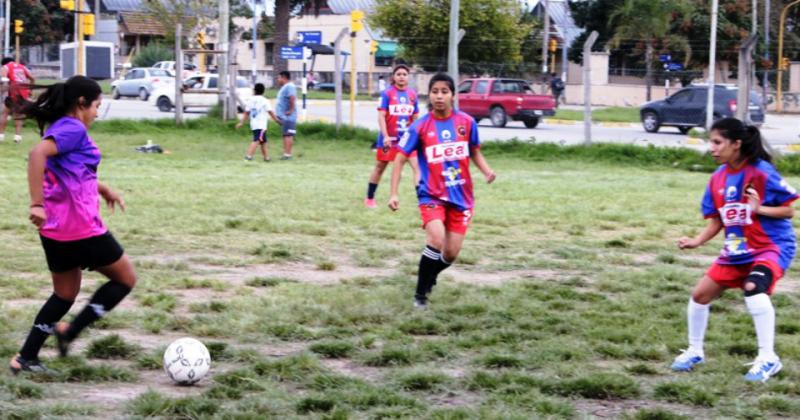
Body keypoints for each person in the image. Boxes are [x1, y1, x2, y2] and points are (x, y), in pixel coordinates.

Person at [9, 76, 136, 374]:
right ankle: (70, 331)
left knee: (64, 294)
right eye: (96, 106)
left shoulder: (62, 129)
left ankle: (25, 357)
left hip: (54, 230)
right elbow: (37, 154)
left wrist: (102, 189)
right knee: (125, 279)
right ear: (81, 103)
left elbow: (71, 170)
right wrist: (36, 203)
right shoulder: (73, 128)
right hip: (80, 228)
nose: (96, 113)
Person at [672, 118, 798, 383]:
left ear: (736, 144)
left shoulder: (761, 172)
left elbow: (788, 210)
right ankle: (695, 351)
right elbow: (717, 220)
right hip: (736, 251)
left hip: (770, 247)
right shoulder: (717, 178)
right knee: (699, 296)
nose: (712, 148)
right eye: (711, 142)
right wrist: (697, 241)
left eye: (718, 142)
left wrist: (759, 209)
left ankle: (768, 358)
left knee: (754, 288)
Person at [388, 73, 496, 309]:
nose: (439, 96)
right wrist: (394, 193)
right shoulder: (420, 126)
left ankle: (430, 276)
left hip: (461, 195)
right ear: (430, 95)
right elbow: (399, 159)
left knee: (451, 253)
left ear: (453, 95)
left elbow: (475, 150)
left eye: (444, 91)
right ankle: (420, 295)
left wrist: (486, 171)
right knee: (435, 240)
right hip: (431, 193)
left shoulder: (467, 122)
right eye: (435, 91)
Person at [365, 64, 420, 208]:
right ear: (393, 77)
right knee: (380, 167)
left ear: (408, 77)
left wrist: (417, 137)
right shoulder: (387, 94)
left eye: (404, 74)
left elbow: (415, 119)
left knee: (417, 167)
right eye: (399, 74)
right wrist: (385, 136)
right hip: (389, 139)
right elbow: (381, 116)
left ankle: (423, 200)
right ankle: (370, 198)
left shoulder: (413, 95)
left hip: (407, 140)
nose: (401, 77)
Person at [236, 83, 280, 162]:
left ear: (254, 90)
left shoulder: (250, 100)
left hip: (254, 124)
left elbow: (246, 112)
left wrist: (241, 122)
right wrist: (277, 120)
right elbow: (270, 112)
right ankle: (248, 156)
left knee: (263, 141)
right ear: (263, 91)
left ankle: (266, 157)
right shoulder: (264, 100)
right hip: (261, 124)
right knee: (257, 140)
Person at [0, 57, 35, 143]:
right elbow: (32, 78)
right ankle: (17, 137)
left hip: (13, 91)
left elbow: (4, 80)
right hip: (23, 92)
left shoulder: (5, 67)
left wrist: (2, 90)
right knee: (19, 114)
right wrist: (30, 90)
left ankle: (1, 136)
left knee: (4, 113)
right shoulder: (22, 67)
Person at [275, 71, 297, 160]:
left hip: (288, 117)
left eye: (279, 78)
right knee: (286, 135)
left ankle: (288, 155)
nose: (278, 80)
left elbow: (292, 98)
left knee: (288, 135)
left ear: (284, 77)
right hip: (284, 116)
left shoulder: (290, 86)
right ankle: (286, 154)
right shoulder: (286, 87)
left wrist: (291, 110)